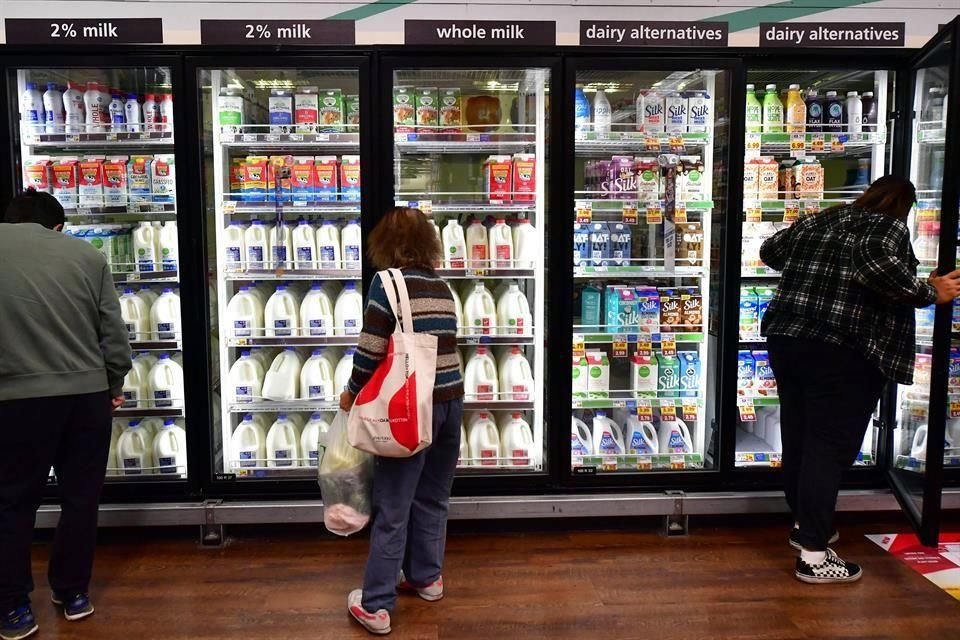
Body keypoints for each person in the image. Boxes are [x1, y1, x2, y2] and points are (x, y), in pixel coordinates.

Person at [759, 175, 960, 585]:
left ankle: (805, 527)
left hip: (787, 340)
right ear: (906, 206)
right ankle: (815, 556)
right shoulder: (886, 227)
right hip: (841, 349)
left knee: (798, 436)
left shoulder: (823, 219)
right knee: (828, 448)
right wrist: (929, 291)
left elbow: (770, 251)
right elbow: (877, 267)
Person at [0, 191, 131, 640]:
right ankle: (72, 594)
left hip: (13, 399)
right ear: (57, 226)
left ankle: (14, 607)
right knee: (79, 499)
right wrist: (112, 384)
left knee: (13, 503)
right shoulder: (86, 255)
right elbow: (112, 332)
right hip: (84, 396)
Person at [340, 207, 464, 635]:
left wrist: (351, 392)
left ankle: (375, 604)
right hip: (452, 403)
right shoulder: (442, 286)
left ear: (385, 244)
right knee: (433, 498)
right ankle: (427, 577)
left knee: (392, 507)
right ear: (429, 242)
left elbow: (371, 348)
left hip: (410, 410)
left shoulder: (386, 284)